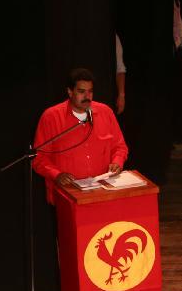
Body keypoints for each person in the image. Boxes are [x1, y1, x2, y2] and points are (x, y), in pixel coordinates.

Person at [33, 68, 128, 200]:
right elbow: (39, 158)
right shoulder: (51, 117)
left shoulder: (105, 112)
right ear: (70, 92)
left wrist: (117, 162)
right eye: (81, 91)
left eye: (90, 91)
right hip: (68, 194)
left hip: (103, 192)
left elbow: (120, 147)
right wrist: (57, 175)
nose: (87, 96)